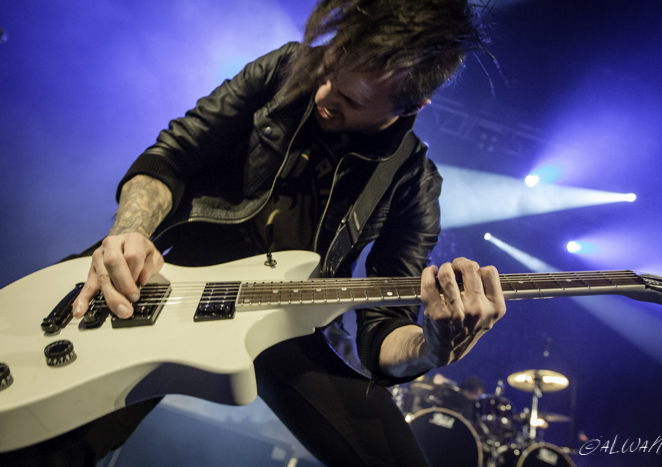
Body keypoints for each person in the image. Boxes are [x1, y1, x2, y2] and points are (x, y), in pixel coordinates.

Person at [1, 1, 505, 465]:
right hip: (174, 278)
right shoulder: (285, 69)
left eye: (350, 99)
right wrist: (129, 232)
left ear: (411, 107)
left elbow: (383, 328)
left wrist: (431, 348)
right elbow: (174, 154)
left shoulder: (413, 182)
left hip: (285, 319)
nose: (323, 94)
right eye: (328, 72)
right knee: (45, 442)